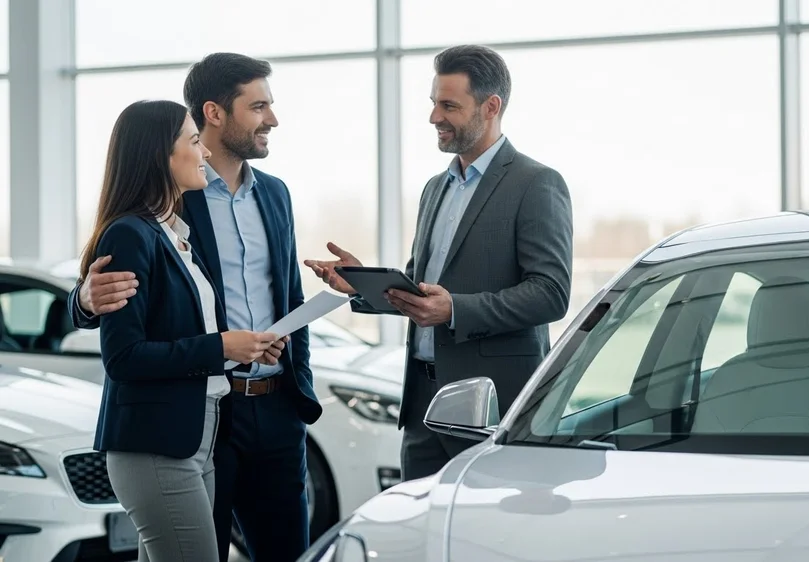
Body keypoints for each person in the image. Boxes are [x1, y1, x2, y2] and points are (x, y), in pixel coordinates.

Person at [68, 53, 321, 562]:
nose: (272, 119)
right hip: (202, 411)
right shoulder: (171, 202)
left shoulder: (275, 194)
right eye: (259, 106)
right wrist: (84, 301)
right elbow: (115, 294)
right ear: (214, 113)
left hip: (274, 406)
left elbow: (287, 294)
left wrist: (300, 382)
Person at [305, 44, 573, 481]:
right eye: (433, 103)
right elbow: (422, 292)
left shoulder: (537, 184)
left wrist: (456, 310)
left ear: (491, 107)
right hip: (422, 403)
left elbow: (551, 293)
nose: (434, 117)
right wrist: (363, 284)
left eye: (449, 105)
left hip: (489, 405)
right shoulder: (436, 188)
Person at [85, 99, 279, 562]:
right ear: (160, 156)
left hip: (197, 437)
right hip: (156, 443)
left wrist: (244, 348)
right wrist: (220, 347)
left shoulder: (171, 231)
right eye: (194, 142)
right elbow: (124, 357)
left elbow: (183, 332)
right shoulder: (130, 235)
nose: (206, 153)